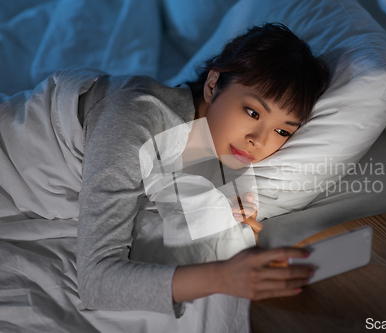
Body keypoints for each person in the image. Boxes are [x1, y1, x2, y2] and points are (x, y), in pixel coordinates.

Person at [76, 22, 331, 329]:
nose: (259, 140)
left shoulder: (213, 146)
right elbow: (95, 281)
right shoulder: (135, 115)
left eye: (281, 131)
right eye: (252, 112)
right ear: (213, 85)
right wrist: (224, 278)